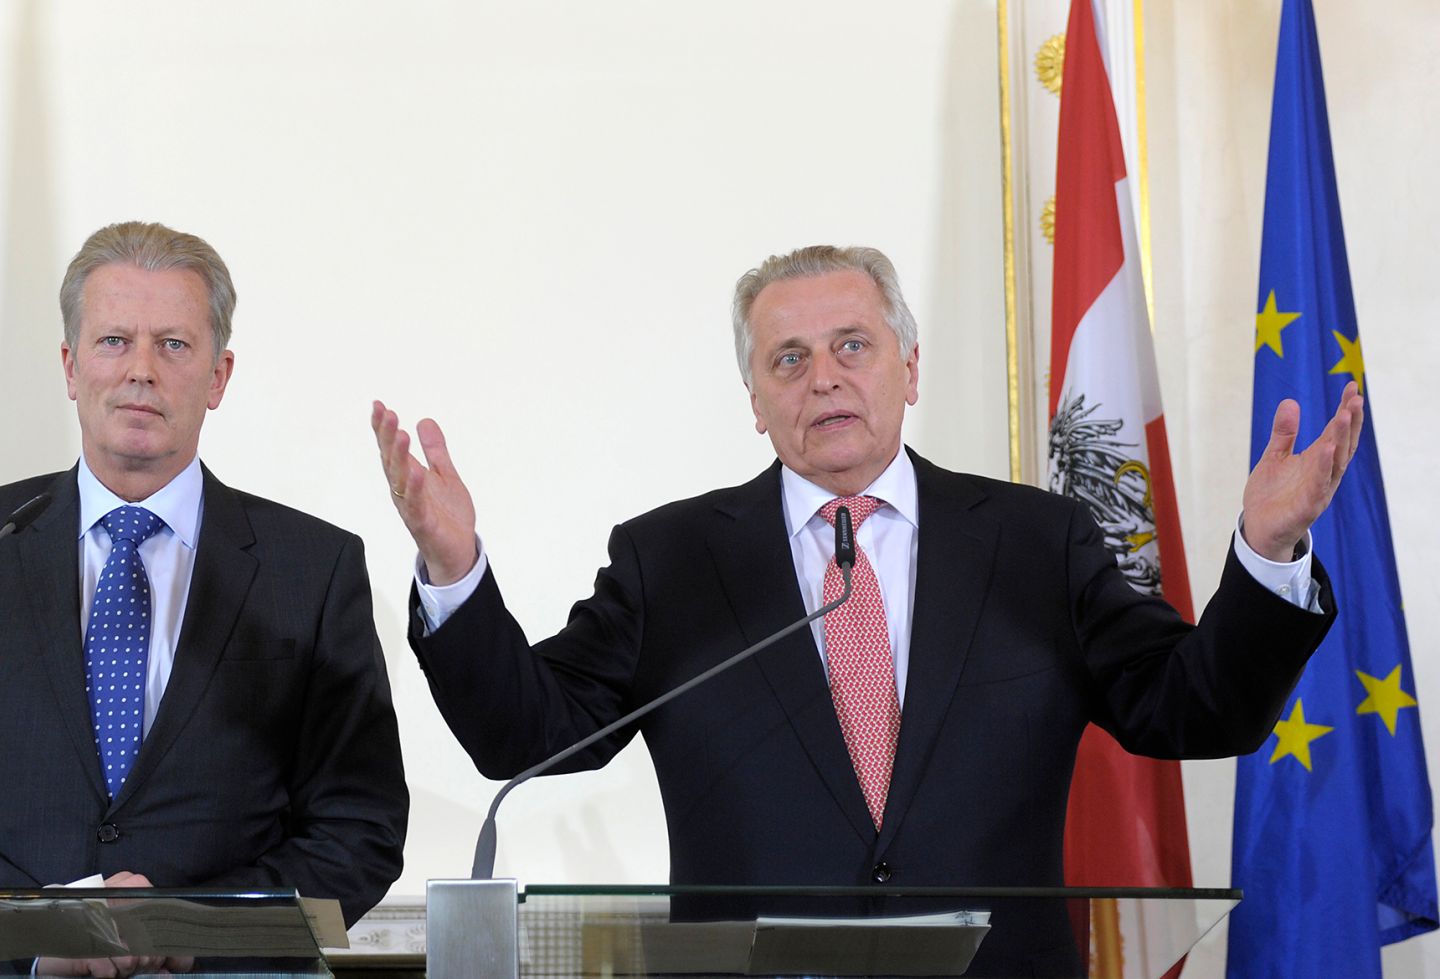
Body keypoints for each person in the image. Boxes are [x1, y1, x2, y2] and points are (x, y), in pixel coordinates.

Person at [370, 245, 1355, 975]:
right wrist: (455, 569)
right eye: (788, 359)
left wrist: (1266, 553)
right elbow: (529, 733)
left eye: (852, 345)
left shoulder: (1035, 542)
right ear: (754, 400)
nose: (824, 376)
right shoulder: (672, 559)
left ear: (908, 368)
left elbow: (1192, 708)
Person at [0, 222, 408, 962]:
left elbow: (360, 826)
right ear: (70, 365)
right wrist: (42, 930)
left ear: (219, 376)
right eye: (114, 340)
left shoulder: (313, 567)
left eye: (173, 344)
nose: (141, 369)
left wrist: (195, 929)